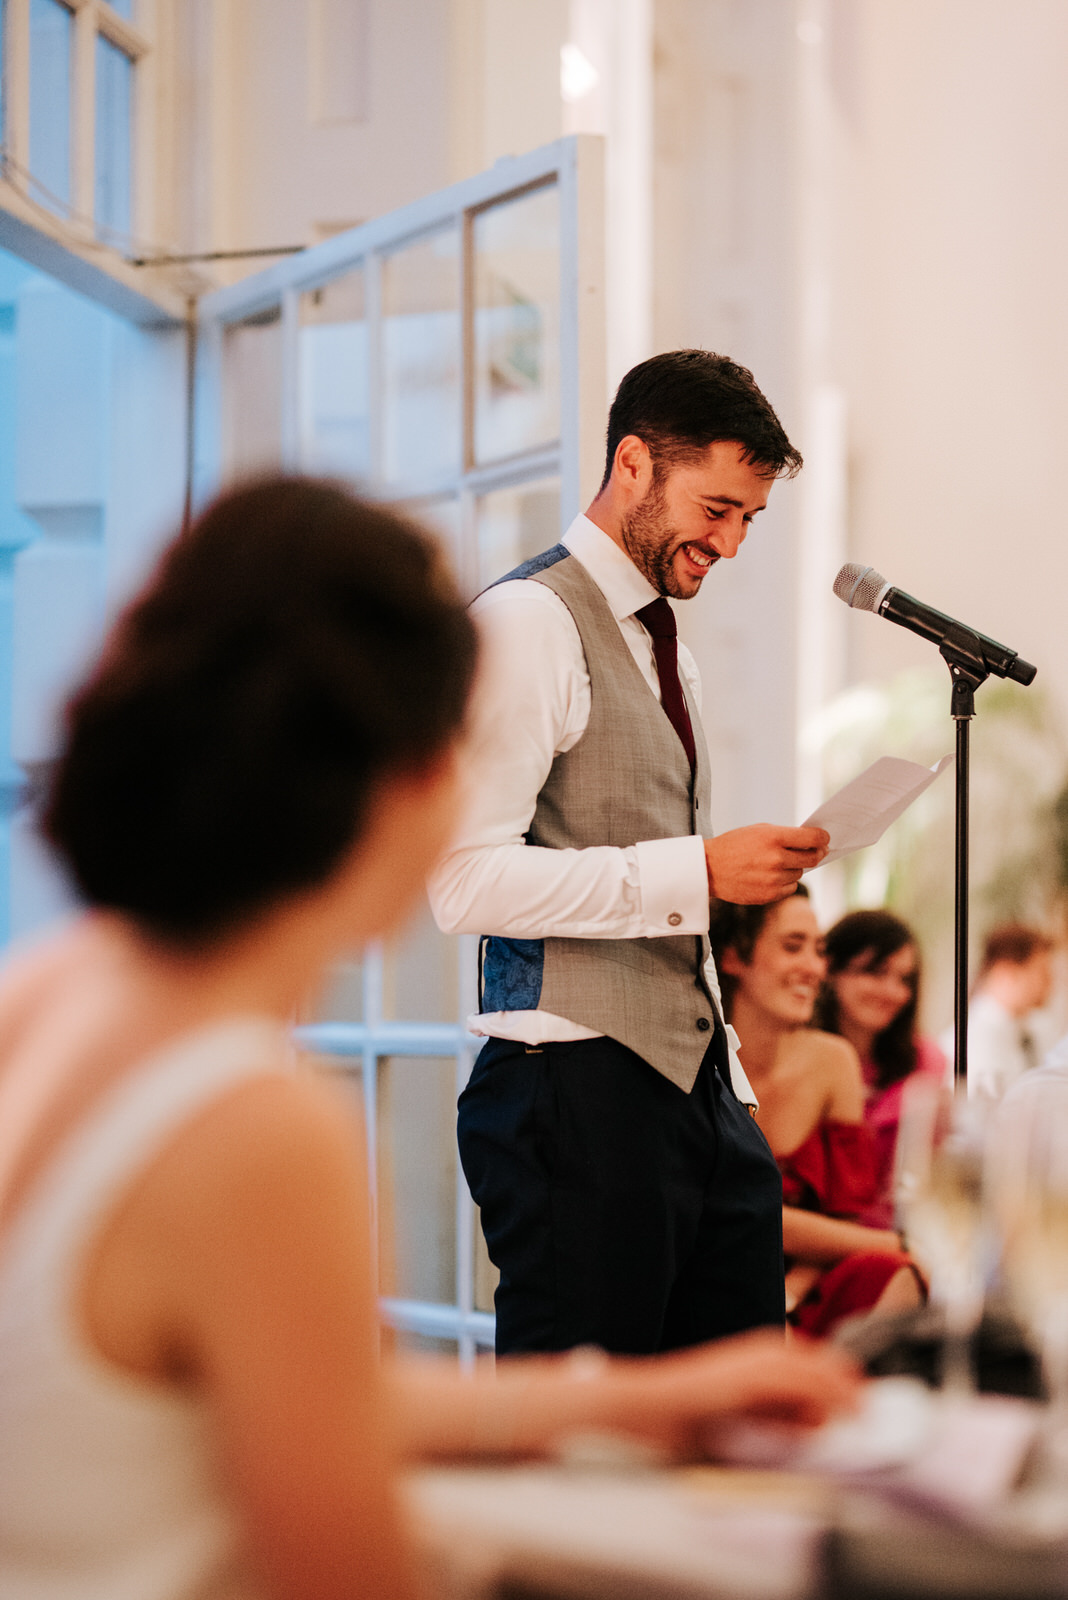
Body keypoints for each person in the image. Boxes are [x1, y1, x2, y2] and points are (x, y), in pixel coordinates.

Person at [0, 478, 860, 1600]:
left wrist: (634, 1405)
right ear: (406, 781)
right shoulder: (255, 1131)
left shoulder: (44, 993)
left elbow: (294, 1399)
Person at [429, 350, 831, 1357]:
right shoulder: (526, 623)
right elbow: (459, 878)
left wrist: (726, 1081)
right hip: (569, 1088)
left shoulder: (670, 646)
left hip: (698, 1092)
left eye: (750, 519)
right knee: (583, 1446)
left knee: (735, 1419)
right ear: (635, 465)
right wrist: (696, 871)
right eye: (718, 508)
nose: (731, 543)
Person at [708, 890, 923, 1336]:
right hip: (713, 1282)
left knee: (897, 1272)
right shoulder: (698, 1058)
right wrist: (894, 1240)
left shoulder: (833, 1060)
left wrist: (790, 1292)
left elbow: (845, 1216)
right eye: (793, 946)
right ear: (731, 957)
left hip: (802, 1284)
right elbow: (720, 1211)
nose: (813, 967)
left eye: (819, 950)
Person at [815, 910, 947, 1228]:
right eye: (875, 972)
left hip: (898, 1238)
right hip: (815, 1237)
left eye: (904, 979)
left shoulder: (926, 1063)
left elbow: (931, 1178)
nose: (892, 992)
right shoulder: (803, 1057)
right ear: (829, 969)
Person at [938, 922, 1055, 1102]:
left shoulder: (1032, 1030)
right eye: (1041, 971)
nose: (1050, 981)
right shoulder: (970, 1043)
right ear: (1007, 972)